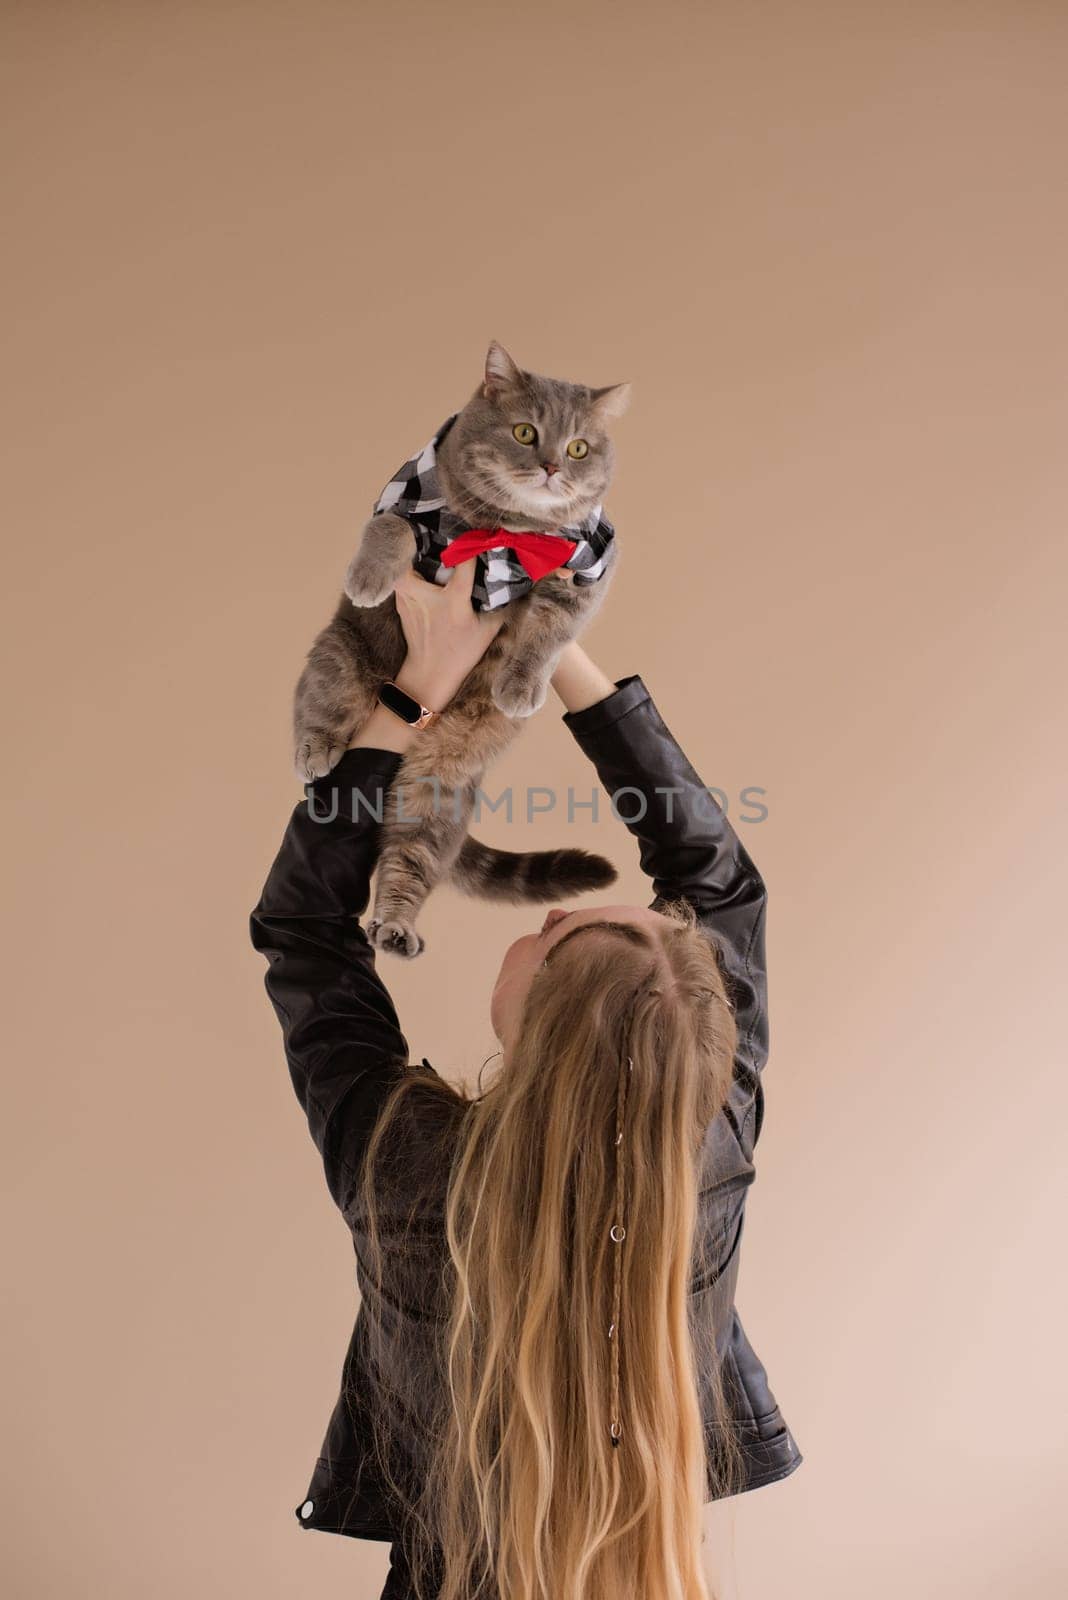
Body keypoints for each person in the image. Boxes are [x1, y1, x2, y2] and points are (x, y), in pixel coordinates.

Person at [250, 559, 802, 1600]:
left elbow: (304, 932)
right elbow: (719, 883)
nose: (551, 911)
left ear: (528, 1020)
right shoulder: (710, 1143)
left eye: (560, 929)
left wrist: (415, 693)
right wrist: (551, 649)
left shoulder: (404, 1163)